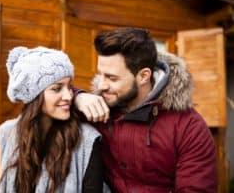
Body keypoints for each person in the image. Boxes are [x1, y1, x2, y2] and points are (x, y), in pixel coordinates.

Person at [74, 27, 217, 192]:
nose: (101, 85)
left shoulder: (189, 127)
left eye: (112, 78)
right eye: (101, 75)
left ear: (143, 76)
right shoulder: (99, 108)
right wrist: (78, 97)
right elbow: (46, 97)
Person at [0, 46, 104, 193]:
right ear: (35, 96)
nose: (69, 96)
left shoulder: (87, 139)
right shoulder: (7, 133)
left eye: (69, 86)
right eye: (57, 88)